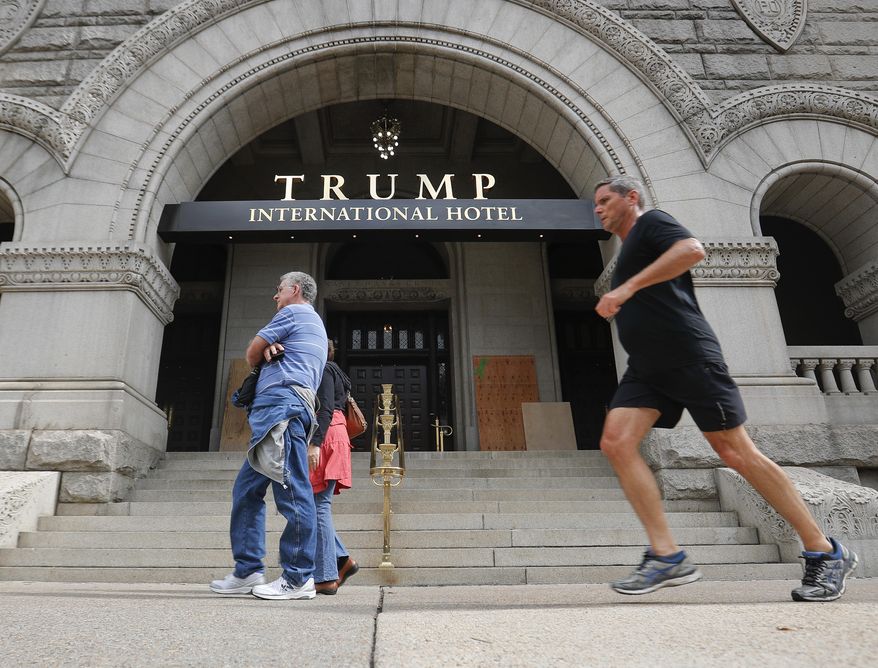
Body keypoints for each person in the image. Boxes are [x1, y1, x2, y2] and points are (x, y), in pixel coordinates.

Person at [593, 175, 858, 602]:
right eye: (596, 205)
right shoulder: (631, 248)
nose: (599, 209)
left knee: (736, 452)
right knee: (616, 442)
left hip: (689, 357)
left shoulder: (652, 223)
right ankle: (667, 556)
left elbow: (692, 250)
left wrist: (627, 288)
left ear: (632, 198)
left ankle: (825, 551)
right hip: (647, 368)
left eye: (606, 200)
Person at [209, 271, 328, 600]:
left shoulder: (293, 312)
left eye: (279, 291)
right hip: (277, 414)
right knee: (246, 492)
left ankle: (298, 577)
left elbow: (251, 353)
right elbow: (262, 353)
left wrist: (261, 351)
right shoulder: (309, 322)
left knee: (292, 493)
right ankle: (248, 571)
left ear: (294, 289)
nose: (275, 297)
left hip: (283, 412)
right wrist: (268, 351)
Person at [308, 339, 359, 595]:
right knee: (318, 505)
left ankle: (327, 575)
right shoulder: (334, 371)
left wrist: (315, 443)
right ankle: (342, 560)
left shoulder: (325, 370)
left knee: (319, 506)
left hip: (326, 435)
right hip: (334, 434)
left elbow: (326, 408)